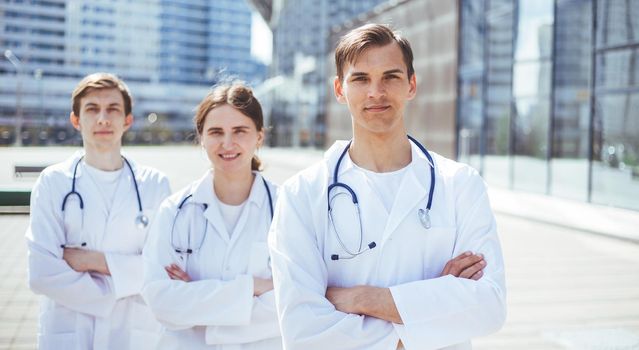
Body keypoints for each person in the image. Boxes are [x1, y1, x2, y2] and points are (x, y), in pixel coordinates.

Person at [268, 23, 506, 350]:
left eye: (390, 77)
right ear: (339, 89)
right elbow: (302, 331)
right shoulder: (301, 194)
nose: (376, 92)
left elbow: (489, 306)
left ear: (411, 85)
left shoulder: (460, 184)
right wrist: (431, 309)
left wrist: (365, 298)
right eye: (361, 79)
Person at [26, 72, 171, 350]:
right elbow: (42, 273)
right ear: (76, 120)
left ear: (127, 120)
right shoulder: (53, 182)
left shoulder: (154, 184)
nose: (103, 118)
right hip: (68, 333)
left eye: (113, 109)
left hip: (133, 334)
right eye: (92, 109)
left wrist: (91, 260)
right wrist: (123, 280)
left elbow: (161, 270)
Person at [142, 82, 281, 349]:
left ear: (259, 137)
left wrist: (198, 302)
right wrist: (255, 286)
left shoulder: (286, 208)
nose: (227, 143)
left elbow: (296, 299)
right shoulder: (175, 210)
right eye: (216, 132)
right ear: (201, 138)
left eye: (240, 131)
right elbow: (161, 301)